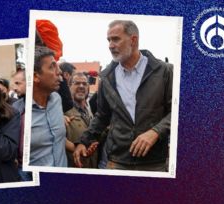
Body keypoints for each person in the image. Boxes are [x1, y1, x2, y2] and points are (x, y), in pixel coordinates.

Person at [73, 20, 172, 171]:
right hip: (117, 161)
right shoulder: (107, 78)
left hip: (154, 163)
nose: (110, 45)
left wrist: (156, 132)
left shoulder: (164, 72)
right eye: (109, 40)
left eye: (116, 39)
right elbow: (102, 116)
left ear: (133, 40)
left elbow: (178, 111)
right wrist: (84, 141)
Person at [29, 46, 67, 167]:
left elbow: (57, 139)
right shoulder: (20, 112)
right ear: (35, 76)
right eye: (52, 67)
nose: (59, 71)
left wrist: (77, 147)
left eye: (57, 66)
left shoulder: (56, 99)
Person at [65, 72, 98, 168]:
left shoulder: (91, 110)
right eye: (77, 83)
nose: (81, 86)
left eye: (84, 84)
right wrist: (75, 148)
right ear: (69, 86)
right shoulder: (63, 110)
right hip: (72, 167)